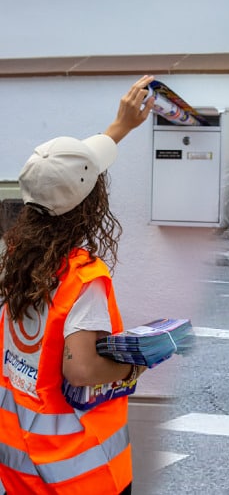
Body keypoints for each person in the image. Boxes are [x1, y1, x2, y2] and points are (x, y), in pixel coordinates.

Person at [0, 75, 156, 494]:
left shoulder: (16, 255)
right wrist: (136, 363)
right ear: (91, 205)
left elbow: (69, 173)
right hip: (76, 473)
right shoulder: (81, 276)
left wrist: (119, 127)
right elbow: (82, 368)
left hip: (18, 464)